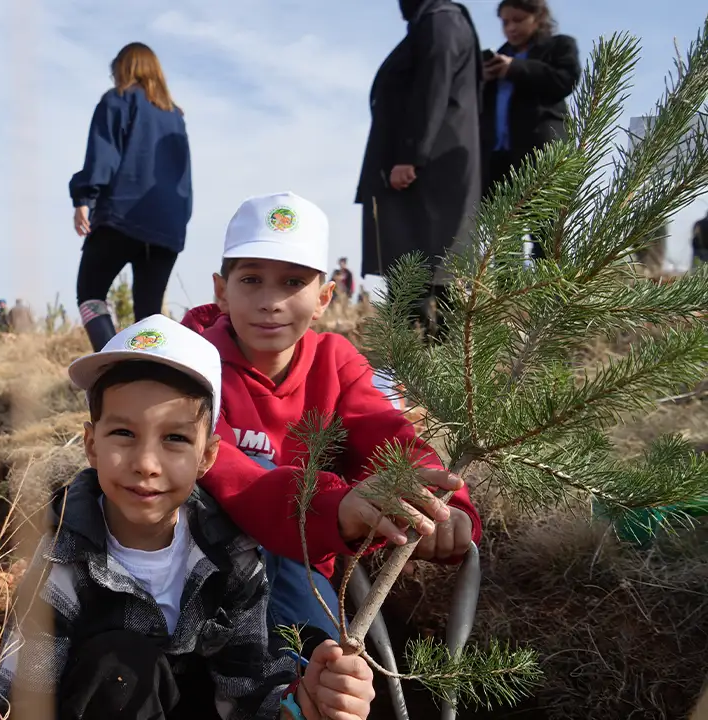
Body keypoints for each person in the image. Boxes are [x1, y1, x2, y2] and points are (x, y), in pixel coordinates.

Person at [0, 314, 376, 720]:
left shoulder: (232, 553)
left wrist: (301, 706)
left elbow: (244, 690)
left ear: (207, 456)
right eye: (123, 433)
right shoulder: (63, 556)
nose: (146, 464)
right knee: (121, 665)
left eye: (174, 439)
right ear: (91, 444)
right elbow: (20, 698)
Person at [181, 192, 481, 649]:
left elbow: (388, 435)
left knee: (319, 668)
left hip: (300, 572)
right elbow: (223, 472)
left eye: (292, 282)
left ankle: (304, 678)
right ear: (222, 291)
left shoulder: (336, 362)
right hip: (198, 565)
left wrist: (443, 507)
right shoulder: (192, 363)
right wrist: (335, 507)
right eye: (252, 279)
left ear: (323, 298)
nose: (270, 301)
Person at [357, 0, 482, 338]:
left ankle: (435, 360)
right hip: (426, 169)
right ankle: (413, 359)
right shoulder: (436, 21)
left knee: (429, 262)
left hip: (426, 172)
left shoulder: (442, 21)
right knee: (415, 263)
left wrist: (411, 155)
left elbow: (433, 88)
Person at [71, 42, 193, 352]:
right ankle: (152, 384)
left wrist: (85, 198)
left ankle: (115, 365)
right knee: (149, 315)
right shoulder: (175, 116)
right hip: (168, 225)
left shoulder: (118, 100)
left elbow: (103, 157)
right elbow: (184, 176)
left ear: (124, 69)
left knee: (90, 295)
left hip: (122, 217)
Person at [480, 0, 581, 259]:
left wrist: (515, 68)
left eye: (518, 19)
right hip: (499, 159)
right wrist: (483, 79)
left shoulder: (559, 46)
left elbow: (564, 81)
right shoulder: (495, 56)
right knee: (503, 240)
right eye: (505, 22)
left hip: (540, 155)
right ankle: (506, 297)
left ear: (537, 17)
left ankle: (550, 297)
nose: (511, 27)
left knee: (545, 236)